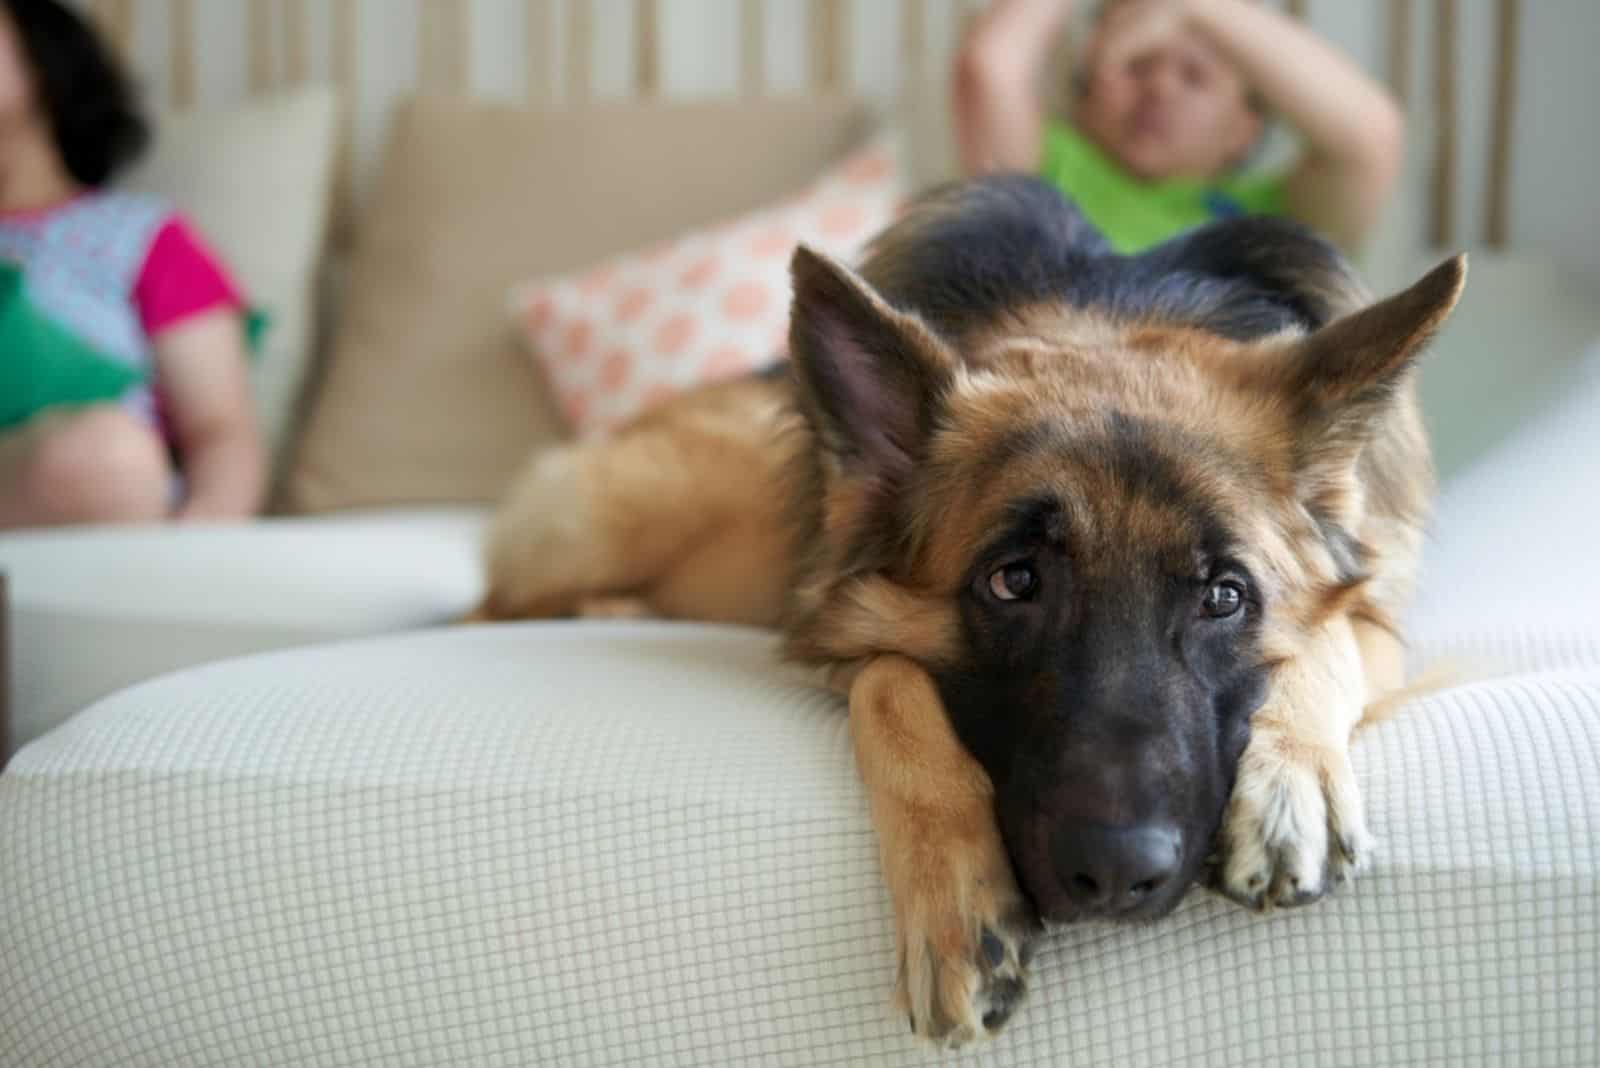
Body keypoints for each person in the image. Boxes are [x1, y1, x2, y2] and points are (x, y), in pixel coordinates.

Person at [0, 0, 264, 528]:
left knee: (109, 461)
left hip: (77, 496)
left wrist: (200, 539)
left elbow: (221, 430)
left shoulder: (142, 237)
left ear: (42, 63)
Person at [953, 0, 1405, 255]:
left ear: (1244, 130)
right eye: (1136, 64)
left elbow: (1372, 137)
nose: (1161, 88)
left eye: (1195, 76)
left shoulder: (1274, 219)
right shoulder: (1045, 168)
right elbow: (990, 66)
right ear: (1086, 88)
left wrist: (1194, 7)